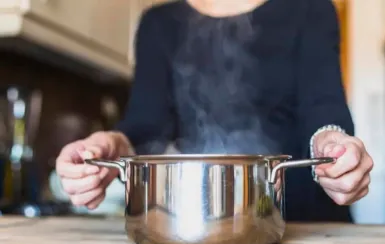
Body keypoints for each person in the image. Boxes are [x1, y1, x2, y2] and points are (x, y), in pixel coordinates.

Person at [55, 0, 373, 222]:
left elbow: (323, 106)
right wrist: (111, 146)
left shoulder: (311, 9)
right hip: (203, 226)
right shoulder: (158, 24)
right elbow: (146, 126)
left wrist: (332, 143)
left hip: (312, 227)